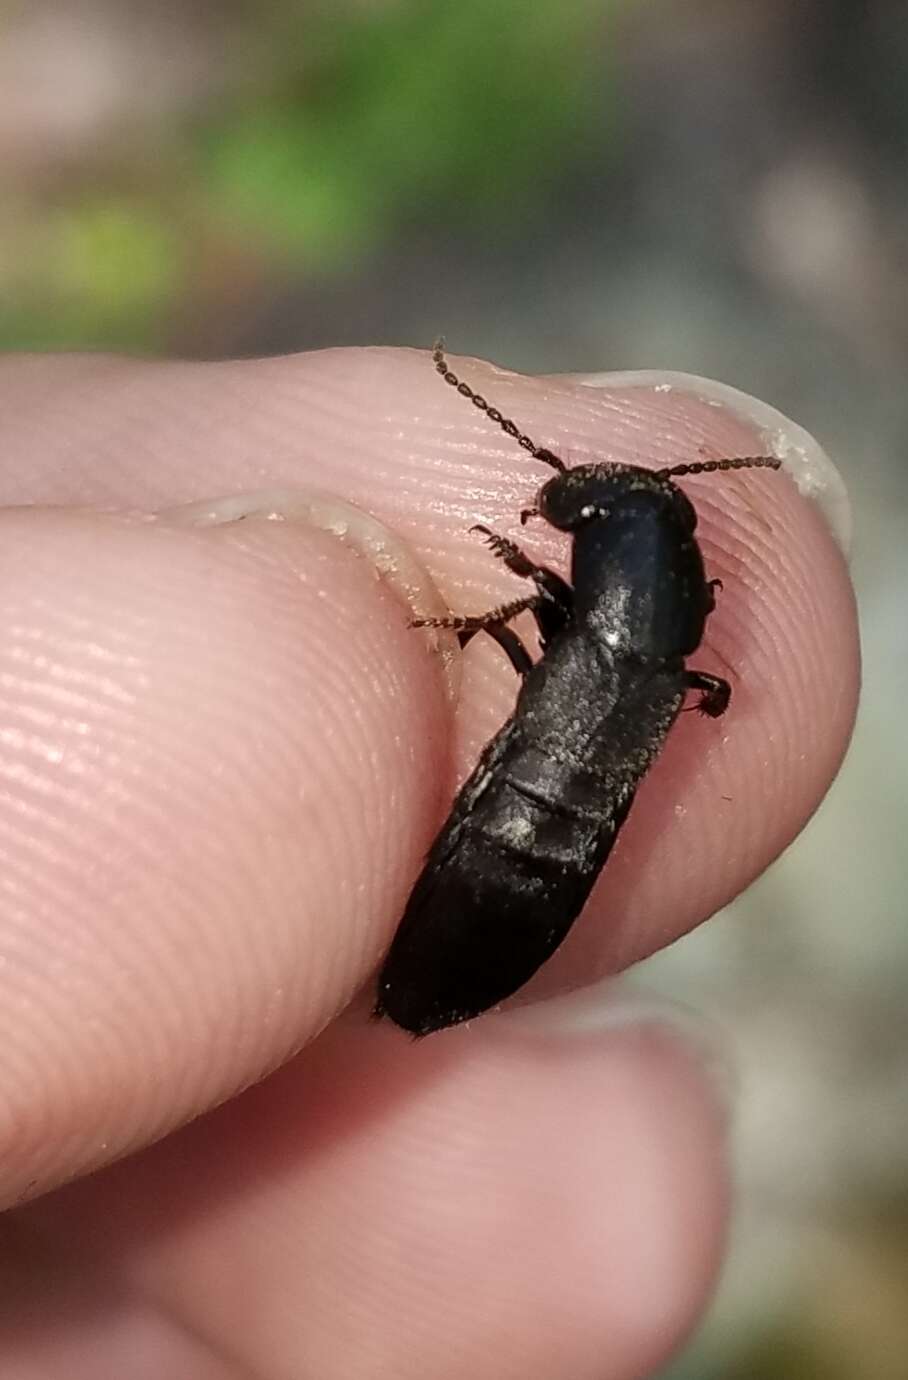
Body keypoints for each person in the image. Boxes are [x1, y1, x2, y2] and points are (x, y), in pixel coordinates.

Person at [0, 346, 859, 1379]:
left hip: (502, 881)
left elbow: (560, 615)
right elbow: (616, 635)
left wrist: (492, 607)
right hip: (528, 874)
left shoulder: (610, 631)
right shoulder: (666, 656)